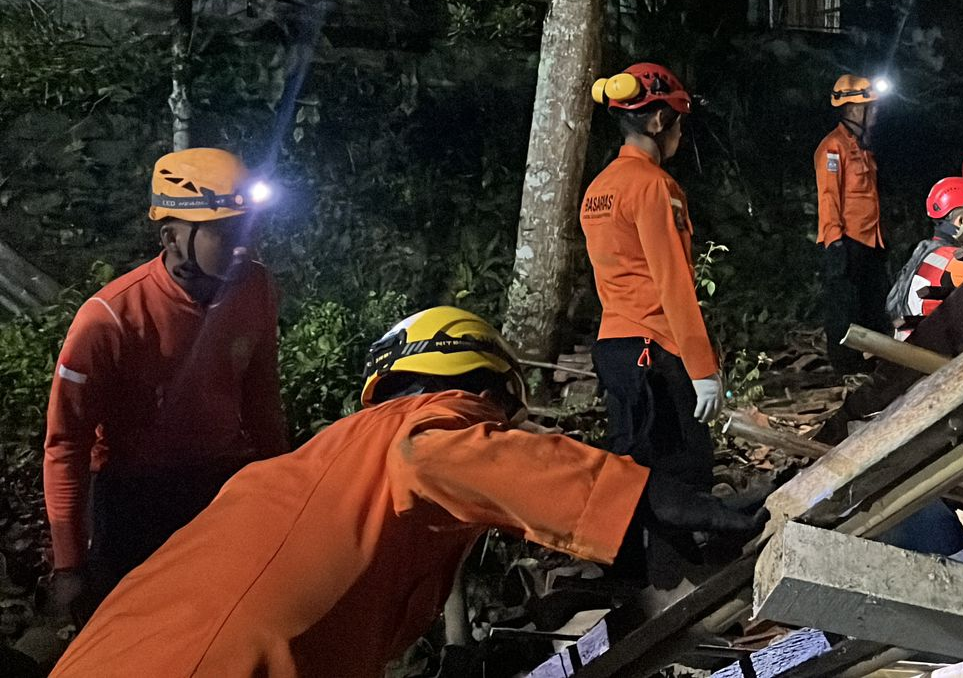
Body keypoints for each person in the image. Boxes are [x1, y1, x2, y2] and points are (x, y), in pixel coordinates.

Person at [50, 306, 759, 677]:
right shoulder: (418, 424)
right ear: (482, 388)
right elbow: (442, 456)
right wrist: (634, 498)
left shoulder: (326, 467)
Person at [44, 147, 287, 623]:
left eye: (247, 227)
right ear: (170, 236)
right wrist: (69, 566)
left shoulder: (255, 288)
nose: (242, 246)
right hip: (135, 500)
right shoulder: (109, 319)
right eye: (223, 230)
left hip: (222, 485)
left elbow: (262, 400)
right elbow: (65, 444)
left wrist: (283, 493)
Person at [582, 62, 721, 493]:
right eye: (678, 122)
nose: (679, 134)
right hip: (657, 353)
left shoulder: (598, 189)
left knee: (634, 482)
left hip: (615, 352)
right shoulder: (654, 186)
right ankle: (684, 563)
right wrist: (703, 369)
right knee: (683, 476)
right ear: (660, 120)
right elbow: (673, 282)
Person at [814, 73, 890, 374]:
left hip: (872, 240)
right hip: (848, 242)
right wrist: (835, 243)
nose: (877, 112)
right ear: (856, 109)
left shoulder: (863, 148)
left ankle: (876, 366)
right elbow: (829, 197)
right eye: (872, 106)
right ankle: (847, 370)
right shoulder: (833, 148)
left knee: (873, 307)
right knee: (844, 310)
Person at [886, 177, 963, 339]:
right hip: (935, 348)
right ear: (962, 221)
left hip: (915, 342)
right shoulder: (953, 259)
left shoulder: (927, 251)